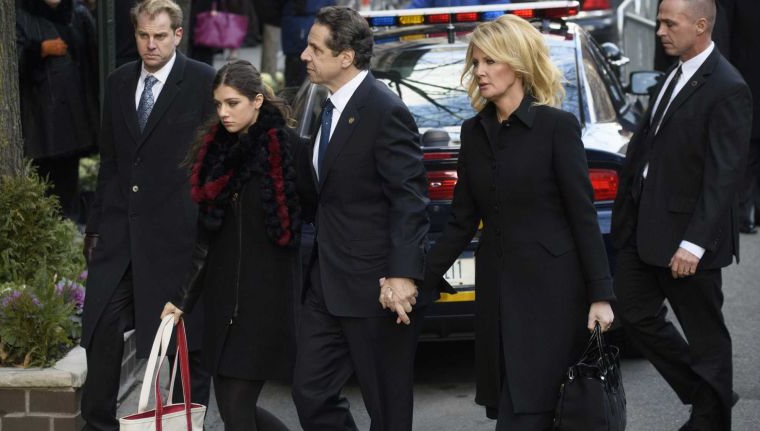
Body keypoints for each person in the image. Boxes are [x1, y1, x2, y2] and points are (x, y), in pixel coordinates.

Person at [421, 14, 615, 430]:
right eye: (475, 64)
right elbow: (461, 221)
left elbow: (583, 217)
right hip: (497, 296)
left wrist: (601, 295)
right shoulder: (473, 132)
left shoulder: (556, 128)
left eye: (490, 61)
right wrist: (418, 278)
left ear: (519, 63)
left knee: (537, 411)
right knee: (516, 405)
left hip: (553, 296)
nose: (480, 72)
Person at [610, 0, 752, 429]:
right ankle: (708, 393)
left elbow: (723, 175)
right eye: (658, 23)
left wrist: (693, 243)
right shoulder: (675, 73)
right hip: (644, 227)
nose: (660, 32)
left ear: (702, 25)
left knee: (706, 336)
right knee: (634, 315)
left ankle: (711, 418)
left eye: (670, 23)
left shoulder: (728, 86)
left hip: (689, 239)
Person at [291, 6, 431, 431]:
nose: (304, 55)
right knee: (310, 393)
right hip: (324, 282)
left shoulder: (384, 110)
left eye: (315, 48)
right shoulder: (322, 104)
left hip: (375, 287)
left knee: (387, 410)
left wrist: (402, 274)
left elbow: (409, 199)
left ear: (346, 56)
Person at [80, 0, 215, 429]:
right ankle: (99, 422)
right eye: (142, 35)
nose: (150, 44)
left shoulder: (202, 82)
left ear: (178, 34)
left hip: (175, 237)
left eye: (159, 36)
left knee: (177, 343)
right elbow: (112, 161)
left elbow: (213, 164)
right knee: (100, 329)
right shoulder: (119, 82)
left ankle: (179, 424)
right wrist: (97, 226)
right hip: (120, 235)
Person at [159, 60, 314, 431]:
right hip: (223, 302)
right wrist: (182, 299)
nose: (223, 113)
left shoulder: (289, 150)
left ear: (257, 100)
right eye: (218, 104)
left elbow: (314, 217)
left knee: (237, 405)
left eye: (233, 103)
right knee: (231, 409)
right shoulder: (216, 154)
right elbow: (204, 239)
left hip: (266, 303)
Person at [16, 0, 99, 222]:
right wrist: (40, 49)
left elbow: (92, 60)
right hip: (38, 119)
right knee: (42, 181)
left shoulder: (77, 15)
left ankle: (67, 226)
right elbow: (13, 62)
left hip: (72, 116)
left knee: (67, 180)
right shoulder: (21, 15)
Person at [715, 0, 760, 234]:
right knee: (748, 149)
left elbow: (723, 33)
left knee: (748, 150)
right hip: (744, 80)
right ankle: (745, 213)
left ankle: (745, 214)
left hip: (744, 77)